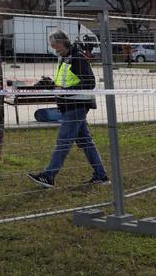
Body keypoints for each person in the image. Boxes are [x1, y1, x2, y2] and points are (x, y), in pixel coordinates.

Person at [28, 30, 109, 188]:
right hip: (69, 105)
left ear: (61, 42)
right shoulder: (65, 58)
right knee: (86, 142)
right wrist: (51, 85)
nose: (53, 48)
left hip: (76, 106)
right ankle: (101, 176)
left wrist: (65, 91)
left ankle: (49, 176)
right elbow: (66, 82)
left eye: (54, 45)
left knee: (63, 141)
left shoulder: (77, 57)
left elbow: (89, 83)